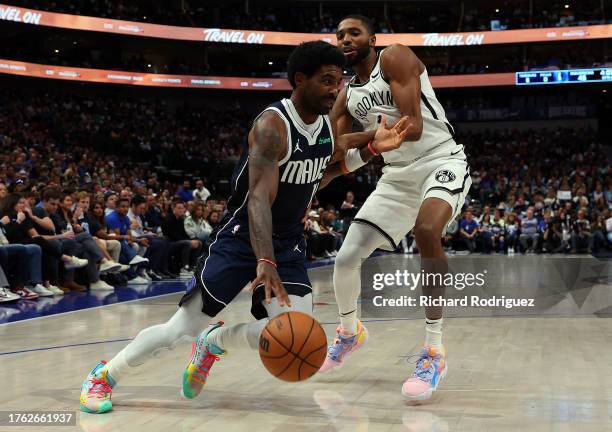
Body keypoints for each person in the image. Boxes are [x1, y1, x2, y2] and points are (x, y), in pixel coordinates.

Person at [79, 40, 410, 414]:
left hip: (286, 242)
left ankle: (215, 341)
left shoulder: (322, 126)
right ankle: (104, 375)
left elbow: (322, 170)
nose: (336, 90)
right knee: (178, 329)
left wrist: (372, 148)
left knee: (295, 332)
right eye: (327, 81)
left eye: (339, 81)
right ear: (300, 79)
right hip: (240, 239)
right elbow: (257, 199)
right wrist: (264, 261)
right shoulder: (273, 126)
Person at [317, 15, 471, 402]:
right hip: (397, 175)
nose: (346, 39)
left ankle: (434, 351)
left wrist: (355, 138)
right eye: (340, 36)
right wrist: (356, 145)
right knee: (346, 256)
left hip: (440, 160)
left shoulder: (395, 58)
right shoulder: (346, 94)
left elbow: (413, 126)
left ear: (373, 37)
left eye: (354, 32)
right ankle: (350, 333)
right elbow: (336, 150)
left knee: (426, 231)